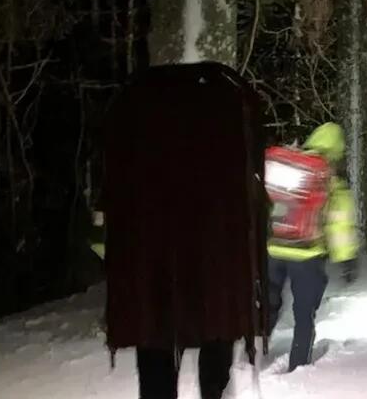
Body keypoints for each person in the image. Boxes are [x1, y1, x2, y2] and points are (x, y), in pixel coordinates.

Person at [102, 62, 269, 399]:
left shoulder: (136, 104)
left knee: (159, 356)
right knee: (207, 352)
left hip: (159, 275)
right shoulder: (226, 104)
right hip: (209, 272)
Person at [265, 122, 358, 372]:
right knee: (304, 313)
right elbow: (339, 225)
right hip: (307, 255)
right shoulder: (330, 179)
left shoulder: (288, 167)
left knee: (268, 306)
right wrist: (346, 259)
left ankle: (253, 353)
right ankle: (298, 366)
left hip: (274, 250)